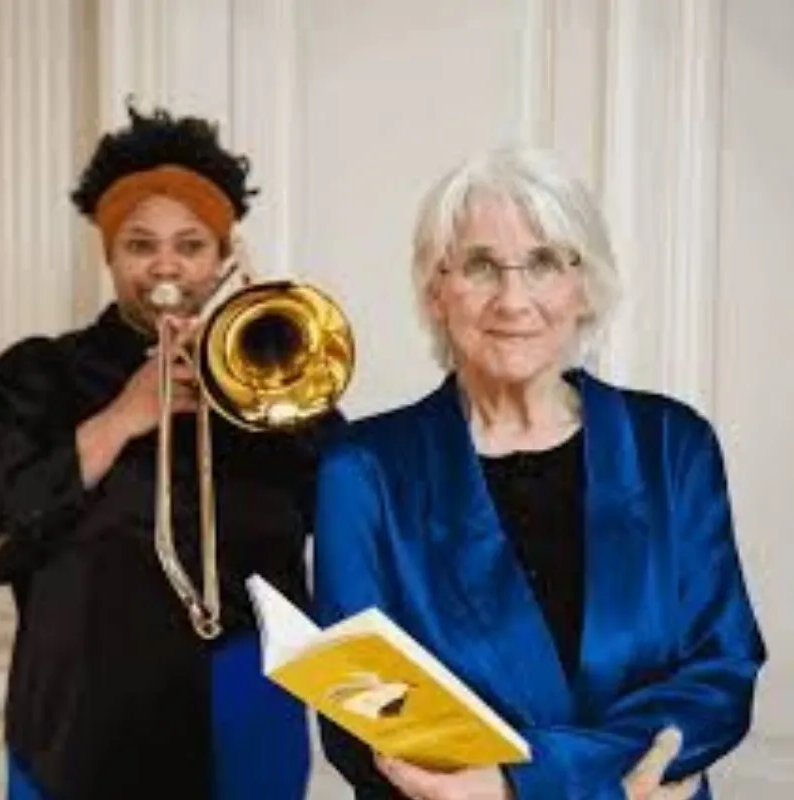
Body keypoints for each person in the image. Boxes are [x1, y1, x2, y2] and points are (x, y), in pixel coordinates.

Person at [312, 147, 766, 798]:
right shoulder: (362, 470)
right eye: (480, 266)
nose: (513, 299)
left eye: (545, 262)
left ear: (585, 286)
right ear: (437, 291)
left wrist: (521, 782)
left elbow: (721, 675)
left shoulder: (672, 444)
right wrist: (602, 780)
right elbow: (359, 715)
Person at [0, 101, 344, 800]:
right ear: (109, 255)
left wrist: (264, 351)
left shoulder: (271, 372)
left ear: (222, 257)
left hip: (244, 700)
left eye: (191, 245)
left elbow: (345, 506)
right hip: (81, 712)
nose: (166, 266)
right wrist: (122, 417)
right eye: (139, 244)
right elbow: (3, 536)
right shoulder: (39, 374)